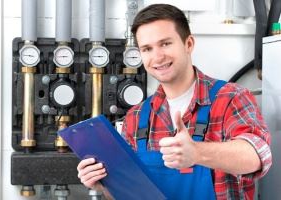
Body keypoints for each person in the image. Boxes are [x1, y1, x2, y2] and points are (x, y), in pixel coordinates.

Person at [77, 3, 272, 199]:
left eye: (165, 44)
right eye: (147, 49)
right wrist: (104, 184)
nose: (157, 57)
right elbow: (130, 194)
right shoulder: (135, 118)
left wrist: (196, 153)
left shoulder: (231, 98)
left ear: (188, 44)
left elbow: (257, 155)